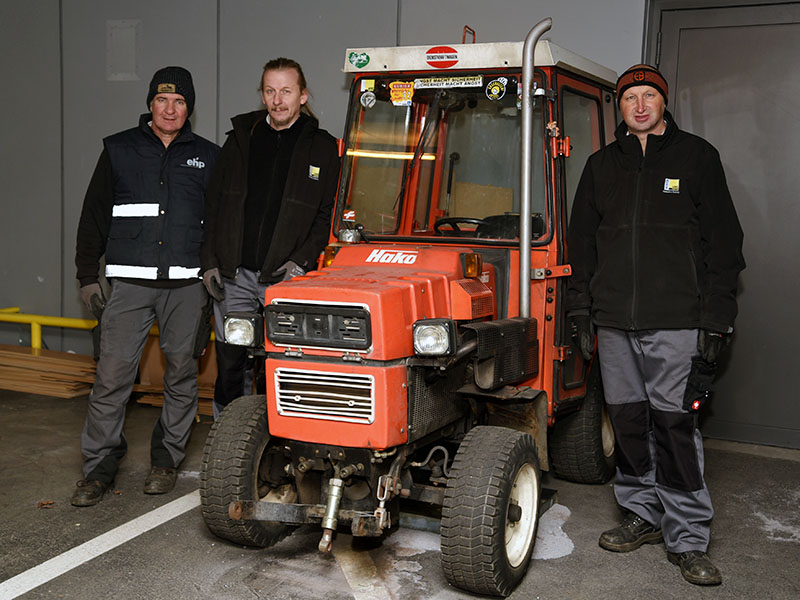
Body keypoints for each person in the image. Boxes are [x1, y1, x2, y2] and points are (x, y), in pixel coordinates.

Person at [566, 64, 745, 585]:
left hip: (677, 321)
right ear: (619, 106)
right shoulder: (601, 166)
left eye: (649, 96)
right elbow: (582, 247)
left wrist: (717, 320)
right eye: (630, 98)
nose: (640, 106)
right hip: (614, 323)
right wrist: (580, 310)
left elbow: (725, 246)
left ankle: (687, 536)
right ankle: (641, 513)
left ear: (664, 102)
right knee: (627, 423)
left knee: (674, 426)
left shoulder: (697, 157)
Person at [72, 66, 220, 506]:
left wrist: (213, 269)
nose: (170, 109)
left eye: (179, 102)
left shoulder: (209, 157)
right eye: (162, 100)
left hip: (186, 286)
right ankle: (98, 466)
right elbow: (93, 216)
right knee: (111, 376)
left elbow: (218, 221)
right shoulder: (118, 150)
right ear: (150, 103)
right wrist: (87, 276)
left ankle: (166, 460)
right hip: (129, 284)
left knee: (181, 374)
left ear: (189, 108)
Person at [201, 58, 340, 417]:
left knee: (285, 364)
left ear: (303, 95)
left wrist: (301, 261)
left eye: (286, 91)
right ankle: (228, 434)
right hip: (234, 277)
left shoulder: (323, 148)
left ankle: (280, 436)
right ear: (262, 96)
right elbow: (214, 205)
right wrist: (210, 262)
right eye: (270, 91)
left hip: (286, 279)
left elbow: (326, 216)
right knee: (231, 364)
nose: (278, 100)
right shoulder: (240, 140)